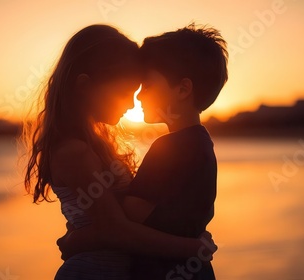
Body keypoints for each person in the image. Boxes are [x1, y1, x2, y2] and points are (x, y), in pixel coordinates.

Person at [23, 24, 217, 280]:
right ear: (85, 86)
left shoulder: (99, 146)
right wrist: (193, 248)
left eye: (140, 89)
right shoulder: (73, 152)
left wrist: (77, 238)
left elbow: (121, 223)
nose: (131, 102)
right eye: (125, 91)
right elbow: (117, 230)